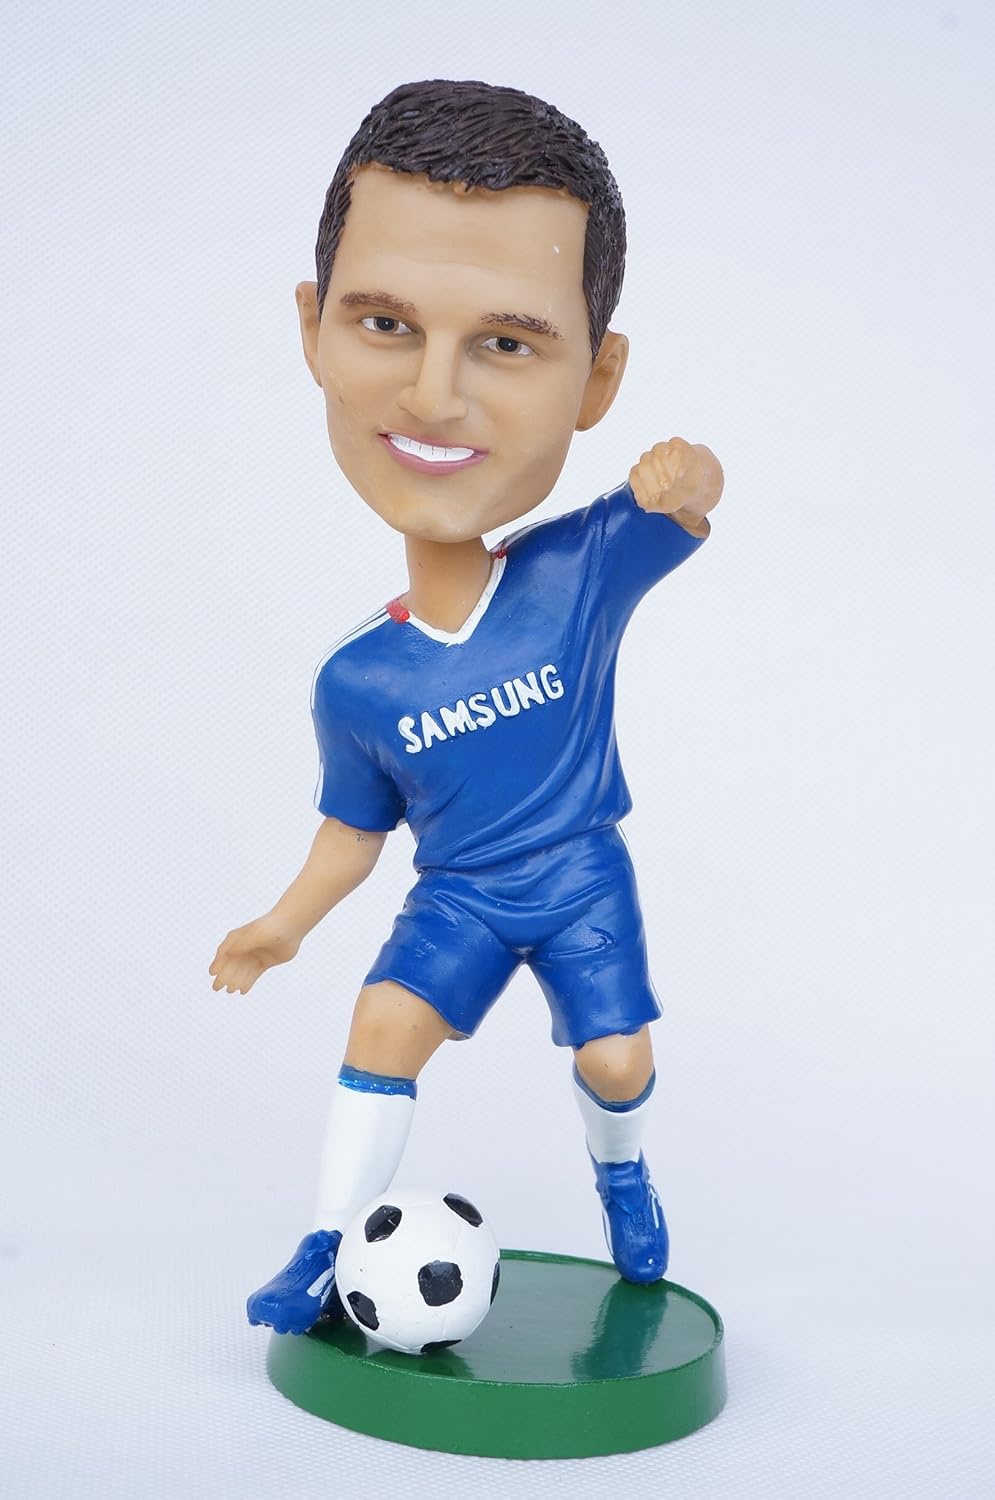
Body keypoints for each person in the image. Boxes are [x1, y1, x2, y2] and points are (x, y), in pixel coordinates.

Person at [209, 79, 724, 1336]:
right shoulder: (358, 679)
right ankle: (325, 1244)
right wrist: (281, 924)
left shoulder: (576, 569)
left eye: (505, 342)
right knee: (381, 1025)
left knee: (615, 1060)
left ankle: (622, 1173)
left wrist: (685, 471)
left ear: (596, 376)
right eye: (385, 322)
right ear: (312, 328)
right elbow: (354, 830)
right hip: (460, 896)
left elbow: (689, 499)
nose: (434, 397)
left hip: (577, 874)